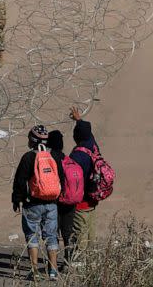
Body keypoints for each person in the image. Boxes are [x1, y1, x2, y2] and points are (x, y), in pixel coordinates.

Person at [11, 125, 59, 281]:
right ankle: (53, 271)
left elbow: (20, 180)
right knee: (51, 236)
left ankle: (35, 271)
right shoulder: (55, 156)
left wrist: (17, 199)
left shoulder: (28, 157)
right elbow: (61, 179)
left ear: (32, 140)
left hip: (32, 204)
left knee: (32, 236)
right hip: (52, 203)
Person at [68, 106, 98, 257]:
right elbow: (88, 133)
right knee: (91, 233)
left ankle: (79, 264)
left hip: (81, 202)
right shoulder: (92, 146)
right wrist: (78, 120)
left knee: (80, 232)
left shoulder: (77, 157)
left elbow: (72, 181)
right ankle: (91, 262)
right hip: (93, 199)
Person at [47, 130, 76, 269]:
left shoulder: (48, 159)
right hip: (70, 200)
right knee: (68, 232)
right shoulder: (67, 159)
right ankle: (68, 261)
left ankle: (52, 265)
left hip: (54, 201)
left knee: (53, 232)